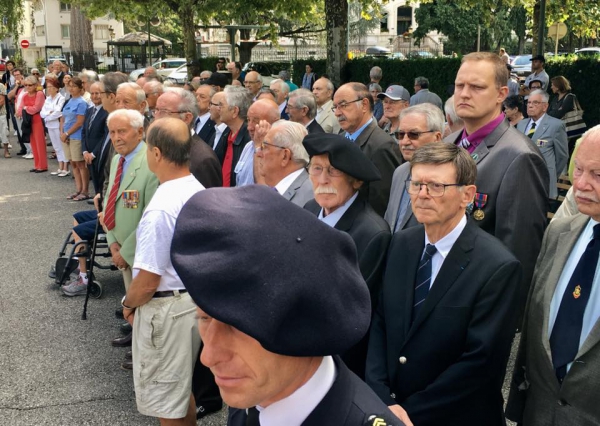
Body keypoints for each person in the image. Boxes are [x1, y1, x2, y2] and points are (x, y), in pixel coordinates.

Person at [170, 185, 402, 426]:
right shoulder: (254, 394)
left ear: (301, 326)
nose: (208, 357)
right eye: (204, 318)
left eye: (238, 326)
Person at [367, 143, 522, 426]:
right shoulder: (400, 243)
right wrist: (382, 397)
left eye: (436, 186)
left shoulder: (497, 266)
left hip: (453, 416)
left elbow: (480, 361)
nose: (423, 195)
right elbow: (381, 320)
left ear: (467, 195)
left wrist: (409, 412)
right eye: (416, 184)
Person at [506, 126, 600, 426]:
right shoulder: (559, 232)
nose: (580, 184)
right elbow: (536, 327)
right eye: (579, 169)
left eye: (598, 175)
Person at [446, 51, 549, 322]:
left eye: (477, 87)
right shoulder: (451, 143)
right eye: (460, 85)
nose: (464, 94)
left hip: (475, 305)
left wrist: (500, 321)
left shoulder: (519, 156)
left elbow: (518, 251)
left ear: (502, 94)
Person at [121, 118, 203, 425]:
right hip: (189, 301)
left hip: (166, 309)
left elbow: (147, 280)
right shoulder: (194, 187)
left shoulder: (161, 206)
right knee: (180, 393)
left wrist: (128, 304)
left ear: (156, 153)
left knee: (166, 402)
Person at [303, 133, 391, 378]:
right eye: (316, 169)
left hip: (337, 361)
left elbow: (353, 314)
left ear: (356, 181)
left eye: (333, 171)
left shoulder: (373, 233)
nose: (322, 179)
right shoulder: (309, 210)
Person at [333, 82, 402, 216]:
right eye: (334, 107)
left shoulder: (382, 146)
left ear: (364, 105)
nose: (336, 113)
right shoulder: (340, 138)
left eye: (343, 105)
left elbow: (381, 204)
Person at [384, 104, 445, 232]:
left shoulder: (447, 179)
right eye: (400, 135)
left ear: (437, 138)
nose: (404, 142)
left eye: (413, 134)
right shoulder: (399, 172)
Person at [154, 88, 222, 188]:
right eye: (156, 110)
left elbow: (207, 201)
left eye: (164, 112)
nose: (156, 118)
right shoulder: (164, 147)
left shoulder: (202, 160)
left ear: (187, 118)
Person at [516, 89, 568, 200]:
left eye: (535, 103)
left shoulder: (556, 125)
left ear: (545, 106)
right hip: (521, 182)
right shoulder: (521, 124)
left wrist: (551, 174)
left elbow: (562, 157)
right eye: (529, 102)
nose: (530, 106)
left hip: (542, 183)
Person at [255, 120, 313, 206]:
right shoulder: (276, 190)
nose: (258, 153)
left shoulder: (309, 198)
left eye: (264, 147)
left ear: (285, 156)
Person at [235, 99, 280, 187]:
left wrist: (259, 147)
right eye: (248, 120)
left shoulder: (279, 150)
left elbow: (262, 187)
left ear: (274, 122)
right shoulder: (249, 146)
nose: (249, 127)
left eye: (256, 121)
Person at [214, 86, 252, 187]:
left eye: (221, 105)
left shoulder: (249, 140)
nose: (218, 109)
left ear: (235, 111)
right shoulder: (226, 134)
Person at [60, 77, 89, 199]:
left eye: (74, 86)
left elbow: (79, 122)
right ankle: (78, 189)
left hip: (76, 136)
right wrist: (63, 133)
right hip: (66, 136)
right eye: (69, 86)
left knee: (80, 163)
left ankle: (85, 191)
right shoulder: (69, 101)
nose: (71, 88)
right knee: (73, 163)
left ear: (80, 88)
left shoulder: (82, 102)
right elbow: (63, 118)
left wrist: (67, 134)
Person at [82, 82, 109, 195]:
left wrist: (93, 154)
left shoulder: (106, 112)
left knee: (102, 178)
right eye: (92, 93)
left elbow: (105, 136)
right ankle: (97, 196)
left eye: (97, 93)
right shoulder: (89, 110)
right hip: (88, 152)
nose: (94, 96)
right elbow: (84, 132)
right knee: (94, 178)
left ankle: (101, 200)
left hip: (98, 153)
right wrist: (84, 151)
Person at [18, 75, 47, 173]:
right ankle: (37, 164)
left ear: (35, 85)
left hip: (37, 120)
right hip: (28, 121)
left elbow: (37, 108)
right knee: (33, 143)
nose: (27, 87)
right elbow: (20, 108)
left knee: (40, 143)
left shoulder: (39, 94)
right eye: (26, 85)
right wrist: (25, 109)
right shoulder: (25, 95)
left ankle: (42, 165)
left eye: (30, 85)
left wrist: (26, 108)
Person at [41, 78, 67, 174]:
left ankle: (65, 167)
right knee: (56, 147)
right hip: (49, 125)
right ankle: (60, 166)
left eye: (51, 87)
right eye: (48, 87)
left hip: (57, 125)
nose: (49, 89)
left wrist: (47, 116)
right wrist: (48, 113)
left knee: (61, 146)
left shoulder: (61, 98)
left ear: (57, 88)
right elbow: (42, 112)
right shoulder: (48, 99)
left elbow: (58, 112)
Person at [0, 82, 9, 158]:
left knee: (3, 132)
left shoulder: (1, 86)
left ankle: (6, 151)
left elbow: (2, 101)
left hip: (1, 113)